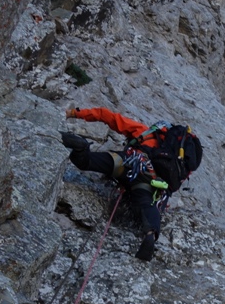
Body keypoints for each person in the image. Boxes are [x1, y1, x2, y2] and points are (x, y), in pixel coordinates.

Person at [61, 107, 200, 262]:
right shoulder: (178, 161)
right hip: (150, 180)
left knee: (88, 162)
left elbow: (109, 117)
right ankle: (150, 234)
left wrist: (74, 113)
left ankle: (81, 148)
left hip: (129, 162)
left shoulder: (145, 132)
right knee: (146, 203)